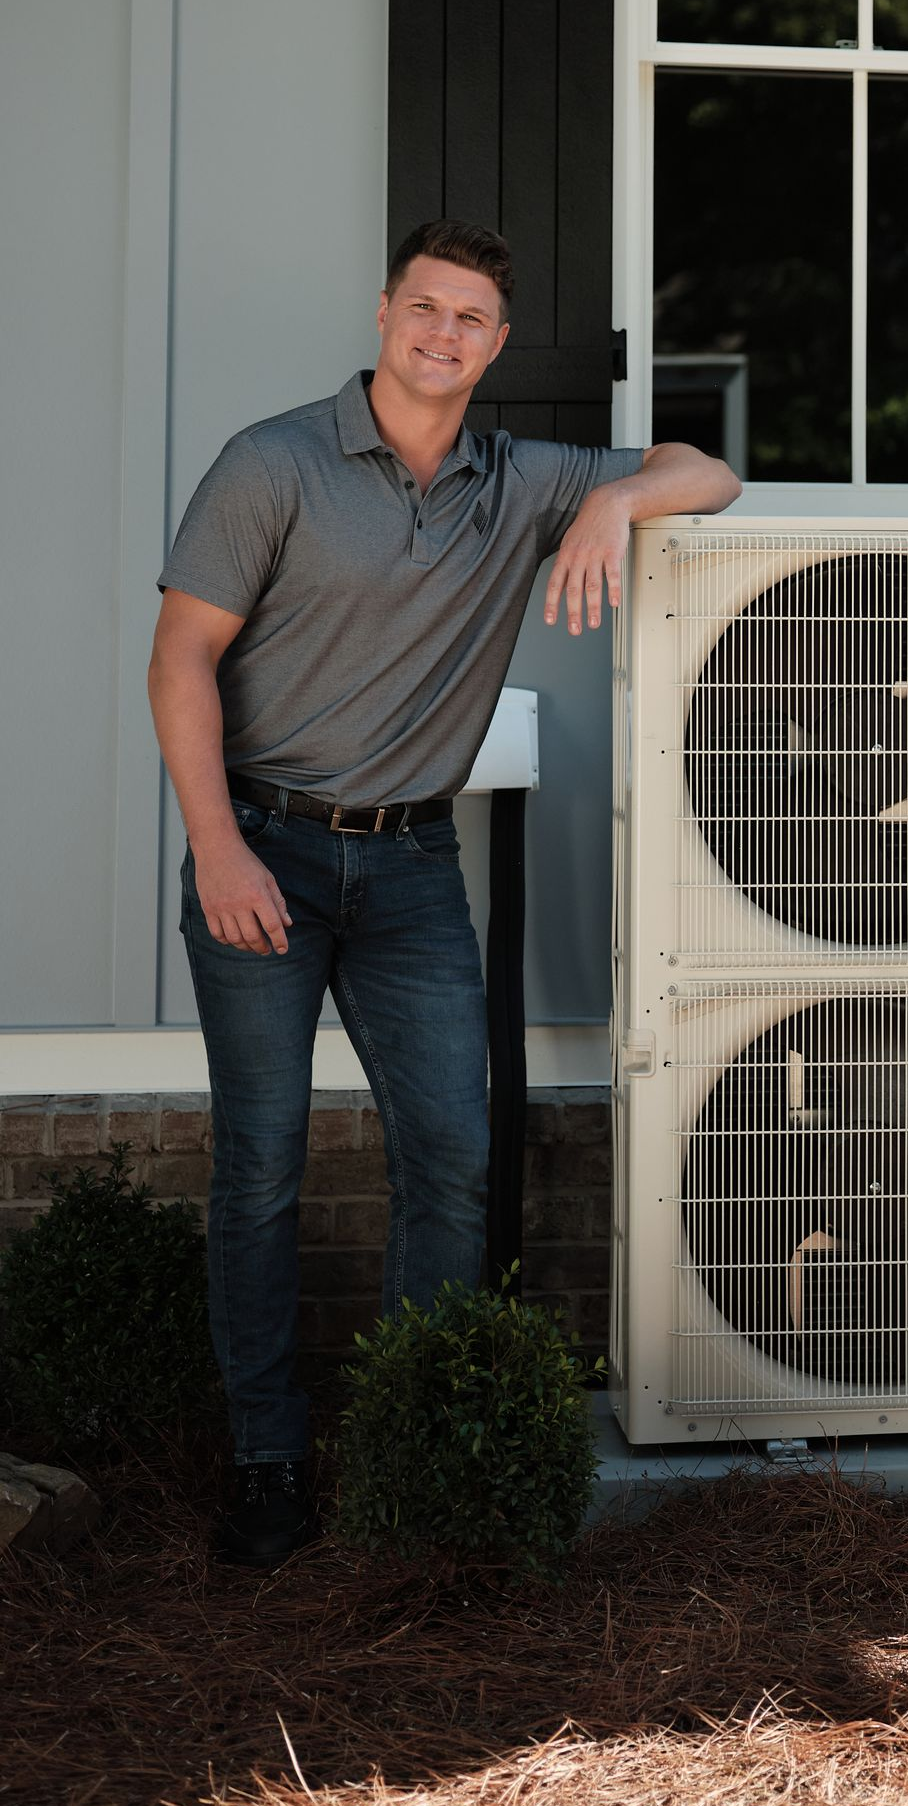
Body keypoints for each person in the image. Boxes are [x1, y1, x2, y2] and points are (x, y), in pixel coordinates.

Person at [148, 220, 740, 1567]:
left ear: (498, 343)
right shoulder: (274, 463)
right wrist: (219, 846)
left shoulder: (521, 479)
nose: (443, 336)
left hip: (413, 861)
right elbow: (178, 660)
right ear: (383, 314)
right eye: (425, 309)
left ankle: (411, 1451)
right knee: (261, 1165)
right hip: (266, 844)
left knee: (454, 1156)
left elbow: (714, 472)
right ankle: (265, 1461)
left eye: (470, 319)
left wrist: (613, 500)